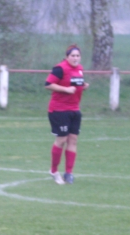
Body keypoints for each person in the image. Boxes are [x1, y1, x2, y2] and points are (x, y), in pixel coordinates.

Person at [45, 45, 88, 185]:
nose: (75, 58)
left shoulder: (80, 69)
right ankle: (54, 171)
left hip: (74, 109)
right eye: (73, 56)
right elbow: (48, 84)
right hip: (59, 110)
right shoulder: (60, 68)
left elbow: (76, 86)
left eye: (77, 56)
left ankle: (69, 173)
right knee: (61, 140)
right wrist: (66, 89)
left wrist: (84, 86)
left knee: (73, 140)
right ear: (67, 56)